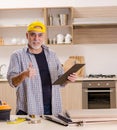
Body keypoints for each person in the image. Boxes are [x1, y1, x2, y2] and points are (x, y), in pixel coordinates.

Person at [7, 21, 77, 116]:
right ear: (27, 35)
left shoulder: (52, 54)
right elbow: (12, 83)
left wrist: (68, 79)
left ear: (44, 37)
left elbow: (60, 81)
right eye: (33, 35)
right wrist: (24, 74)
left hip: (52, 108)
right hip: (28, 109)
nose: (36, 38)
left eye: (40, 35)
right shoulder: (17, 55)